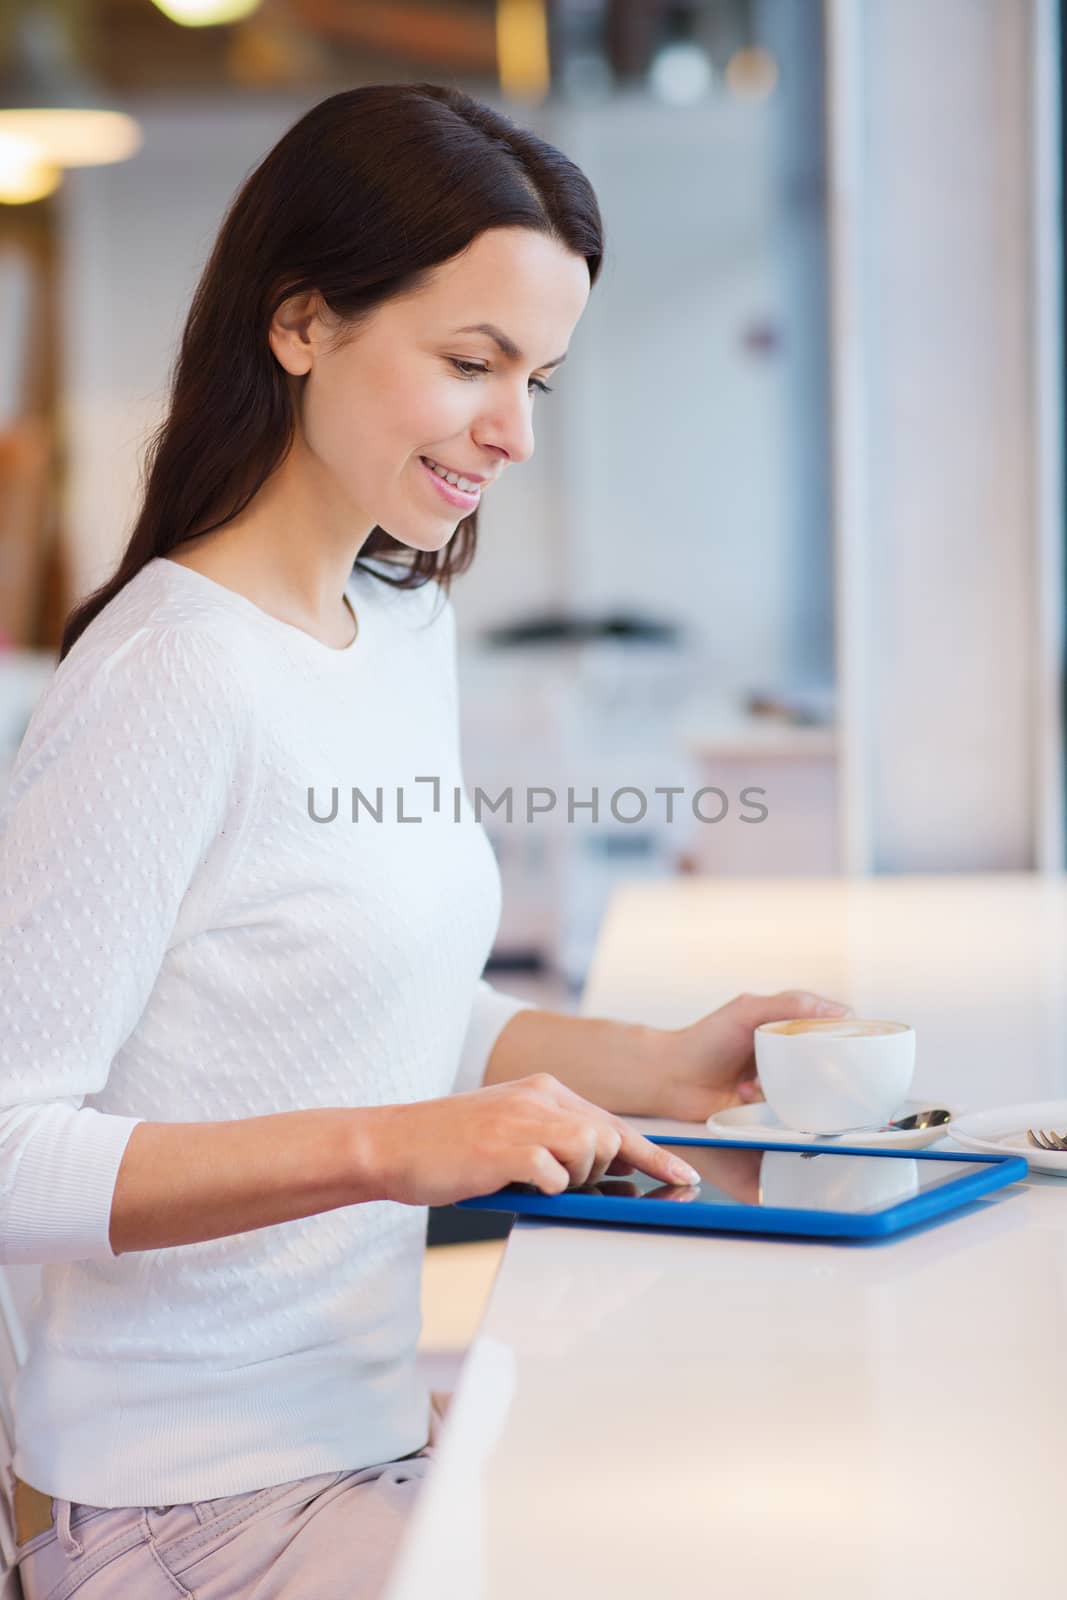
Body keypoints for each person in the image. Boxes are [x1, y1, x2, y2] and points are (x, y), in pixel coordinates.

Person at [1, 81, 847, 1598]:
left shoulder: (396, 620)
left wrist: (658, 1064)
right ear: (302, 323)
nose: (513, 433)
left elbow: (329, 997)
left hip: (356, 1441)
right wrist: (398, 1153)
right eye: (473, 362)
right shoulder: (167, 678)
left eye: (542, 379)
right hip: (186, 1517)